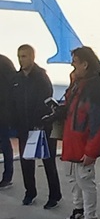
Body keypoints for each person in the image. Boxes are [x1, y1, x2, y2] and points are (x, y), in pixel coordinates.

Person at [59, 47, 100, 219]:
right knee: (74, 178)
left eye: (75, 62)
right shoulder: (79, 83)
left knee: (85, 180)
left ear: (85, 64)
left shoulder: (96, 87)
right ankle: (79, 208)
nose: (72, 65)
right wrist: (72, 81)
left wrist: (92, 150)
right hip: (73, 139)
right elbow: (69, 105)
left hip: (83, 142)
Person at [11, 45, 62, 208]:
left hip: (42, 126)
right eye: (19, 56)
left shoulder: (41, 77)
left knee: (48, 161)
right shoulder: (16, 79)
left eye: (24, 56)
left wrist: (39, 121)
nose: (21, 60)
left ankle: (54, 195)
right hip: (24, 127)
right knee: (26, 161)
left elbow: (46, 100)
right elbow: (13, 101)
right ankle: (30, 192)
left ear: (32, 57)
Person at [0, 54, 17, 189]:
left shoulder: (4, 63)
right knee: (4, 142)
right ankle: (7, 176)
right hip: (4, 110)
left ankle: (7, 177)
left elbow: (13, 88)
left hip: (3, 111)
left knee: (4, 142)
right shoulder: (5, 62)